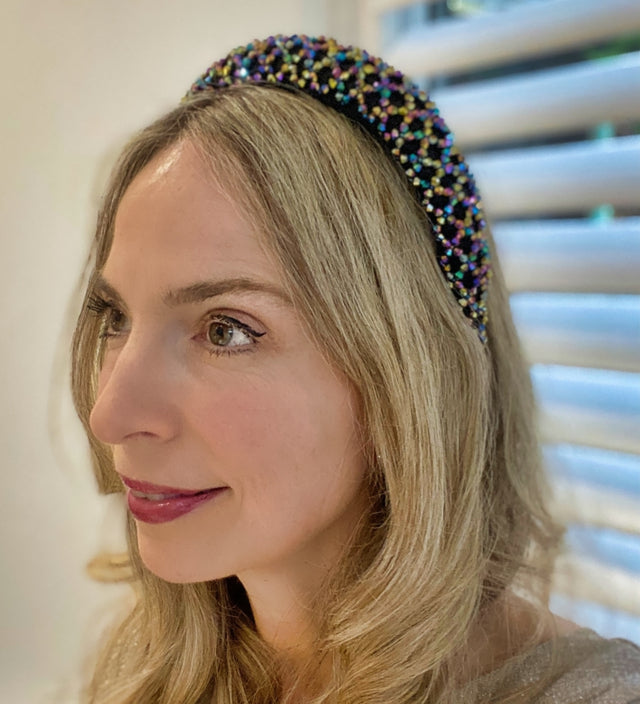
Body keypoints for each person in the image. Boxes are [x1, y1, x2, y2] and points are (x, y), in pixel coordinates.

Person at [71, 35, 640, 703]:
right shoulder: (151, 668)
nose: (110, 412)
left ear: (406, 374)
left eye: (224, 330)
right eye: (117, 318)